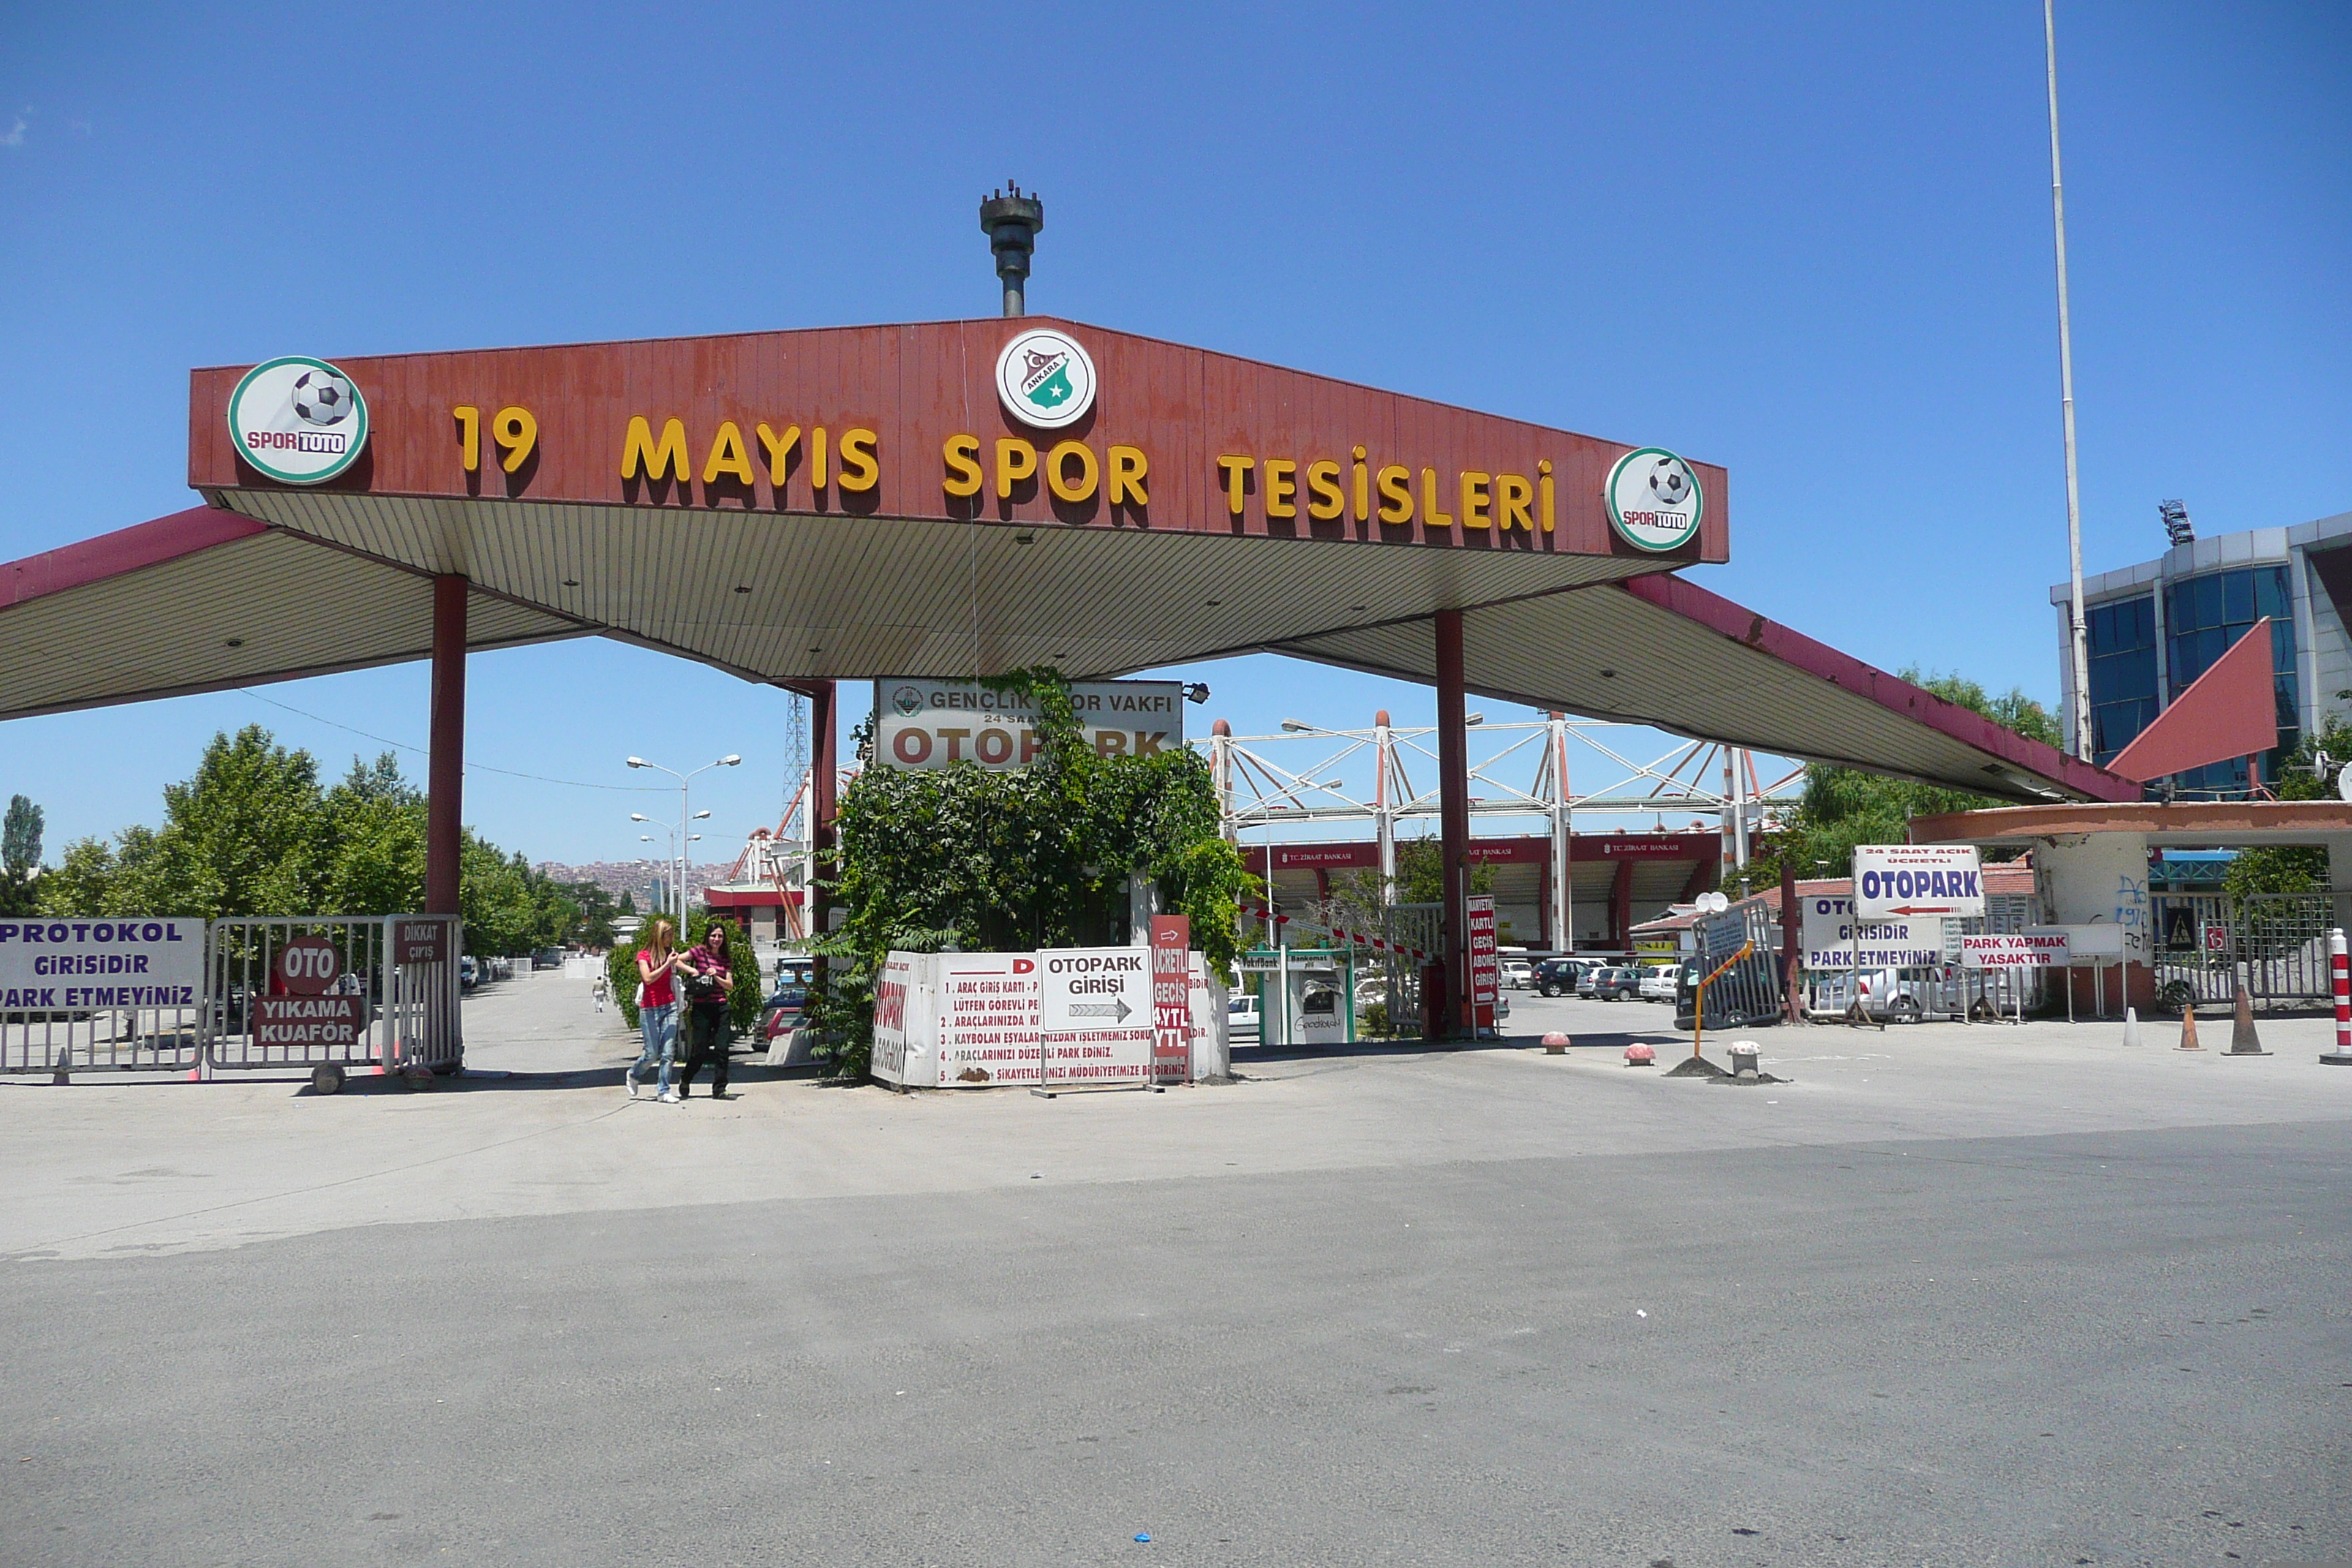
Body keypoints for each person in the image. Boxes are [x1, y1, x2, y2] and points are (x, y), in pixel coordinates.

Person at [675, 921, 736, 1100]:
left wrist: (715, 976)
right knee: (700, 1051)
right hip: (702, 1007)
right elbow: (676, 960)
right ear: (708, 937)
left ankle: (719, 1089)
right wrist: (693, 970)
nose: (716, 939)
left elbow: (730, 985)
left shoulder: (725, 958)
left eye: (720, 936)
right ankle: (686, 1078)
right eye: (713, 936)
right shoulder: (699, 952)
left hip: (721, 1006)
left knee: (722, 1049)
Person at [626, 920, 682, 1103]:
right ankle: (634, 1074)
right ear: (660, 936)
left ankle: (663, 1090)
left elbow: (679, 965)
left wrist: (696, 971)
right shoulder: (643, 956)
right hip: (649, 1008)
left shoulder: (670, 953)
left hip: (669, 1006)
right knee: (651, 1053)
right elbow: (648, 978)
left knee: (668, 1052)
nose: (672, 938)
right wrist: (667, 964)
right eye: (669, 935)